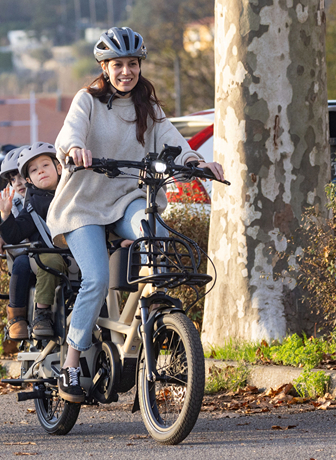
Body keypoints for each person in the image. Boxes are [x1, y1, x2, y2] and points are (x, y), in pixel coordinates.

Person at [46, 27, 226, 403]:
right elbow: (69, 135)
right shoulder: (88, 100)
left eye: (131, 64)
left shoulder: (148, 106)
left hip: (125, 198)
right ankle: (71, 365)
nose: (125, 71)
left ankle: (157, 307)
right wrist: (76, 149)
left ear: (139, 66)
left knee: (153, 229)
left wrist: (197, 161)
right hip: (82, 206)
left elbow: (174, 141)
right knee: (94, 278)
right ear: (105, 67)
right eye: (117, 65)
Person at [0, 142, 68, 339]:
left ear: (59, 167)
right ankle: (41, 314)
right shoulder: (32, 203)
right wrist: (5, 214)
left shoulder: (75, 193)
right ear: (30, 180)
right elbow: (15, 233)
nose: (41, 172)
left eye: (45, 165)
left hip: (81, 251)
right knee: (48, 261)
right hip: (49, 255)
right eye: (34, 170)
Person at [0, 145, 36, 340]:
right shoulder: (7, 197)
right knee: (22, 262)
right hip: (25, 259)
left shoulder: (50, 191)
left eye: (21, 176)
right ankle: (16, 318)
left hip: (56, 255)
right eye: (12, 179)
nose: (18, 183)